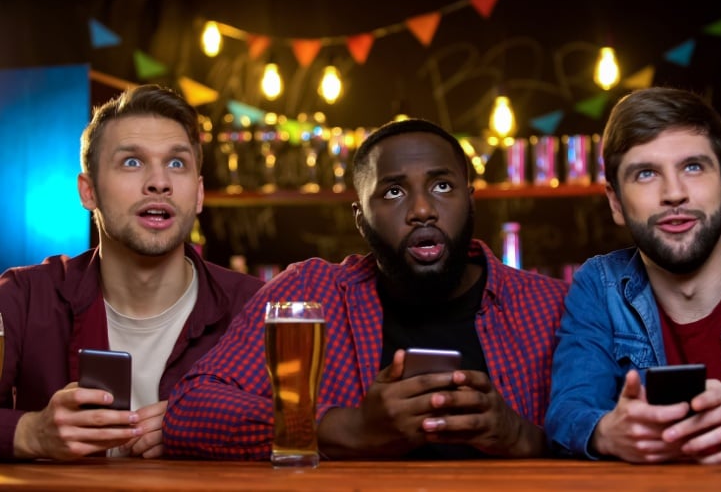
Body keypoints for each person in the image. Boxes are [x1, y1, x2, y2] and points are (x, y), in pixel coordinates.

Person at [163, 118, 568, 460]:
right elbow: (189, 411)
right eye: (393, 191)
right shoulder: (310, 293)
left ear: (471, 202)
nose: (423, 210)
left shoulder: (549, 305)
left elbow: (613, 437)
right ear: (361, 219)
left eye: (442, 186)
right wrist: (348, 427)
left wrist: (519, 436)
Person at [0, 84, 263, 460]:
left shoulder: (255, 308)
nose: (160, 182)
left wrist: (217, 428)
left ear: (199, 193)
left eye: (177, 163)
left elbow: (319, 426)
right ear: (88, 192)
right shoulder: (23, 297)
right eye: (132, 162)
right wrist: (28, 432)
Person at [545, 86, 721, 464]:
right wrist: (607, 433)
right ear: (615, 202)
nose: (674, 193)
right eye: (646, 173)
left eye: (693, 167)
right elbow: (568, 413)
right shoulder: (597, 287)